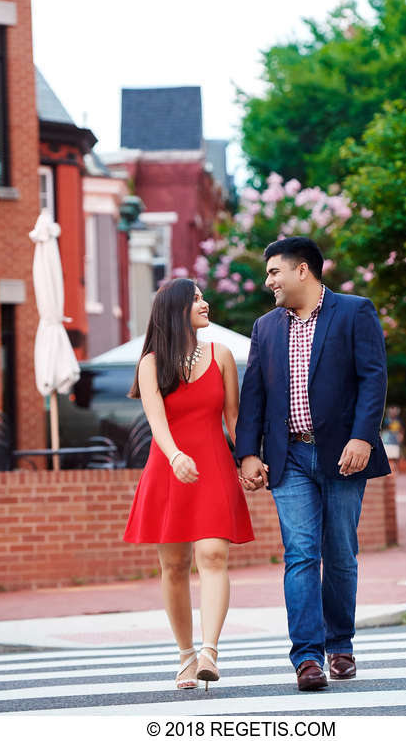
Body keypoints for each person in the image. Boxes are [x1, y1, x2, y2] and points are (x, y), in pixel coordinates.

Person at [236, 237, 389, 692]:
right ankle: (307, 658)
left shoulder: (354, 311)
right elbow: (254, 396)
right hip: (290, 457)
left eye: (274, 273)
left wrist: (363, 436)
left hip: (344, 453)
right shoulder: (265, 328)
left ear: (302, 270)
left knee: (340, 552)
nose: (269, 282)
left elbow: (373, 377)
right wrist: (247, 452)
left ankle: (340, 645)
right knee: (301, 553)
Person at [123, 277, 254, 690]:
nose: (205, 302)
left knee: (213, 555)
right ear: (175, 309)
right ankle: (185, 655)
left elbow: (234, 419)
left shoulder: (223, 356)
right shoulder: (150, 363)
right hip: (169, 468)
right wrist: (176, 456)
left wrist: (249, 458)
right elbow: (157, 424)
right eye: (196, 298)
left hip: (213, 466)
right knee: (174, 564)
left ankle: (210, 651)